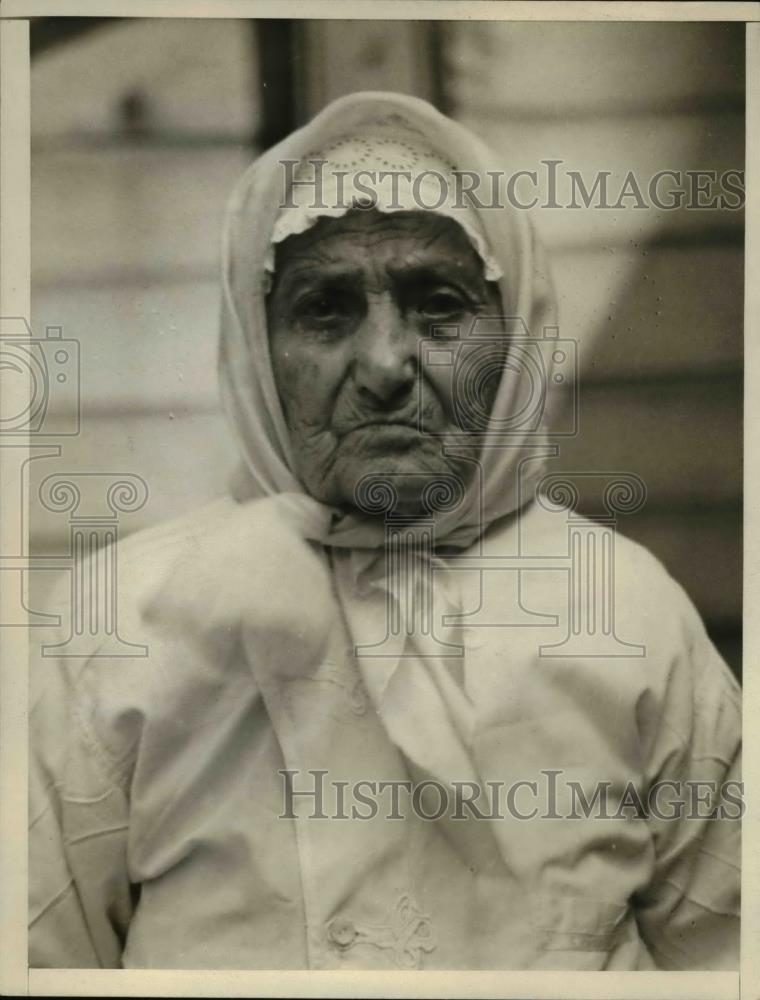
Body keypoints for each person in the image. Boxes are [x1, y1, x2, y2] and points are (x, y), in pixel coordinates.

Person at [29, 91, 741, 971]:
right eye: (325, 311)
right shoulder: (128, 621)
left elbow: (730, 956)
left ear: (512, 331)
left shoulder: (628, 613)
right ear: (258, 347)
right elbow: (36, 956)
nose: (383, 366)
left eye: (437, 303)